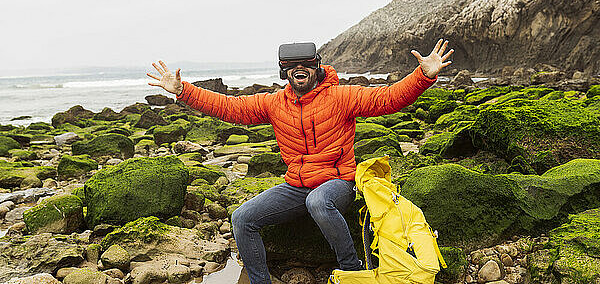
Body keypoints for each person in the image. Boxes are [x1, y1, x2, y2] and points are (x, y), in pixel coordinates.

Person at [147, 39, 453, 284]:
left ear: (317, 67)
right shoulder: (274, 103)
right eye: (292, 65)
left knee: (319, 202)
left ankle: (352, 268)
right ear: (284, 72)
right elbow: (229, 107)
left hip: (338, 183)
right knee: (242, 217)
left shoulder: (342, 97)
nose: (299, 68)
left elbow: (387, 99)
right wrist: (183, 91)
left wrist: (423, 76)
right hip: (296, 186)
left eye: (306, 63)